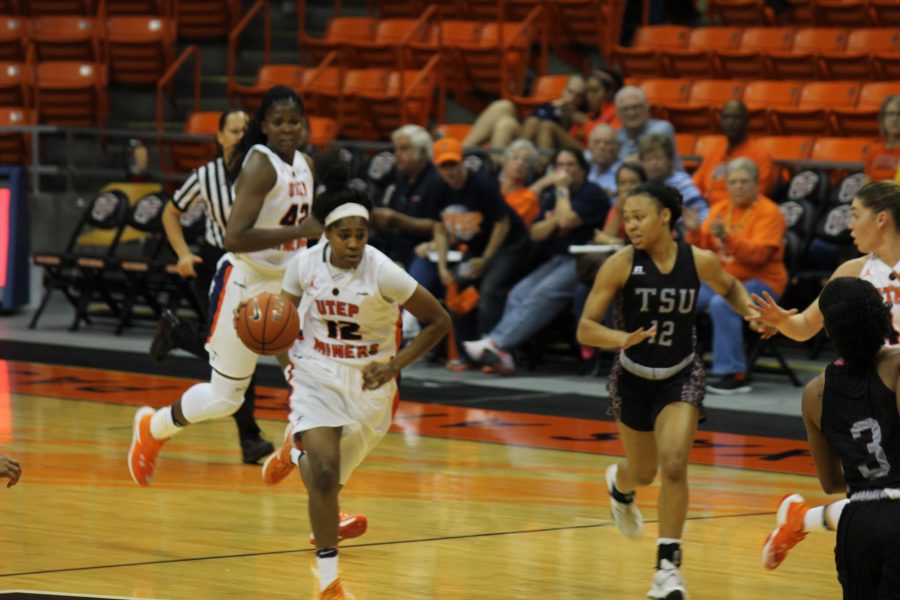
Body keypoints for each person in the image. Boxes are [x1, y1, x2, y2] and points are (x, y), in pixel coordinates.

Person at [260, 154, 451, 599]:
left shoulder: (383, 270)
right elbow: (280, 323)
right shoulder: (303, 265)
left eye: (360, 236)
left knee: (325, 476)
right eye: (344, 235)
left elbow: (441, 321)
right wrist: (286, 362)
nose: (353, 244)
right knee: (326, 475)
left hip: (371, 381)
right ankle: (329, 583)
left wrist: (394, 365)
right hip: (316, 373)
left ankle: (295, 451)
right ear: (326, 234)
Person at [127, 85, 321, 487]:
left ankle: (309, 471)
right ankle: (154, 426)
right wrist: (301, 229)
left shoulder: (306, 164)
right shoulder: (260, 165)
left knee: (311, 379)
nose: (288, 128)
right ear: (264, 126)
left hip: (291, 281)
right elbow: (235, 237)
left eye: (294, 121)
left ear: (304, 125)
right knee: (225, 397)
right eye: (279, 122)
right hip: (246, 281)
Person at [575, 180, 756, 599]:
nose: (631, 225)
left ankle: (667, 571)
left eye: (639, 217)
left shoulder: (700, 260)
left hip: (681, 373)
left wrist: (751, 314)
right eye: (627, 218)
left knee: (674, 466)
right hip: (633, 376)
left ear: (665, 217)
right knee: (643, 472)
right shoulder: (620, 263)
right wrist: (619, 338)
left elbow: (729, 287)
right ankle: (621, 487)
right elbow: (585, 328)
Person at [747, 180, 900, 570]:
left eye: (855, 214)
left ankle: (802, 520)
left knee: (883, 500)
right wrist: (783, 321)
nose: (848, 224)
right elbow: (806, 327)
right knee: (878, 494)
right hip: (871, 389)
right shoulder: (852, 270)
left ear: (881, 219)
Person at [148, 108, 275, 465]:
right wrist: (183, 253)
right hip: (219, 263)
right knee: (238, 349)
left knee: (235, 350)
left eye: (244, 130)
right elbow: (170, 212)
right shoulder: (204, 176)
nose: (238, 136)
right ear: (219, 137)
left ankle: (177, 331)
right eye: (232, 130)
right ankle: (249, 439)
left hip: (256, 264)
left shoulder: (265, 172)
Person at [762, 277, 900, 599]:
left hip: (855, 526)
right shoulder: (896, 368)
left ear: (827, 331)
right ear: (882, 315)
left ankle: (801, 520)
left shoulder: (814, 393)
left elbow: (829, 481)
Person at [463, 148, 610, 375]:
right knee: (519, 293)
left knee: (545, 292)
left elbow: (567, 220)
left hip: (583, 261)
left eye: (570, 165)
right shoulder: (551, 197)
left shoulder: (592, 193)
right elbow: (536, 233)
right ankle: (506, 354)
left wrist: (561, 192)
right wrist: (556, 219)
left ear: (582, 169)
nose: (565, 171)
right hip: (556, 259)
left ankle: (497, 344)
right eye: (560, 166)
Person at [684, 157, 787, 394]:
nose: (738, 186)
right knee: (683, 296)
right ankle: (673, 363)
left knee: (722, 303)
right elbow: (705, 252)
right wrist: (692, 233)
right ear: (727, 185)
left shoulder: (770, 212)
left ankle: (735, 374)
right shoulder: (720, 208)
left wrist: (727, 237)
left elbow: (759, 257)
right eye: (733, 182)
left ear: (757, 184)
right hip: (723, 279)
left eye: (744, 181)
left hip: (762, 282)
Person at [370, 124, 441, 269]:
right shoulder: (401, 177)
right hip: (393, 246)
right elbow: (391, 225)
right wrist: (375, 219)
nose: (397, 154)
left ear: (422, 152)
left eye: (404, 149)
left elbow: (437, 226)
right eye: (396, 149)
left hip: (422, 250)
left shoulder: (436, 180)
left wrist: (398, 220)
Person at [691, 100, 776, 208]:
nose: (730, 122)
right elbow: (696, 184)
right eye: (726, 117)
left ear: (746, 122)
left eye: (736, 117)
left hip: (738, 215)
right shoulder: (715, 150)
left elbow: (756, 196)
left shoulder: (760, 155)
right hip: (706, 210)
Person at [639, 133, 709, 225]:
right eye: (648, 159)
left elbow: (703, 214)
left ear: (669, 159)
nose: (653, 163)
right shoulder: (645, 183)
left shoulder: (682, 182)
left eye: (658, 158)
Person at [614, 86, 682, 171]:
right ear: (617, 113)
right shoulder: (615, 137)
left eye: (636, 107)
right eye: (625, 109)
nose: (631, 113)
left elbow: (645, 161)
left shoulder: (662, 129)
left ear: (647, 108)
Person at [863, 95, 900, 182]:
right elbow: (866, 185)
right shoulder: (873, 151)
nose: (894, 119)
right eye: (890, 114)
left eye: (899, 114)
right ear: (882, 119)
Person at [585, 123, 622, 198]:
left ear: (618, 147)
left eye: (608, 143)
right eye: (596, 142)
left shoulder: (625, 173)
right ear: (589, 146)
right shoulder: (584, 168)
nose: (601, 147)